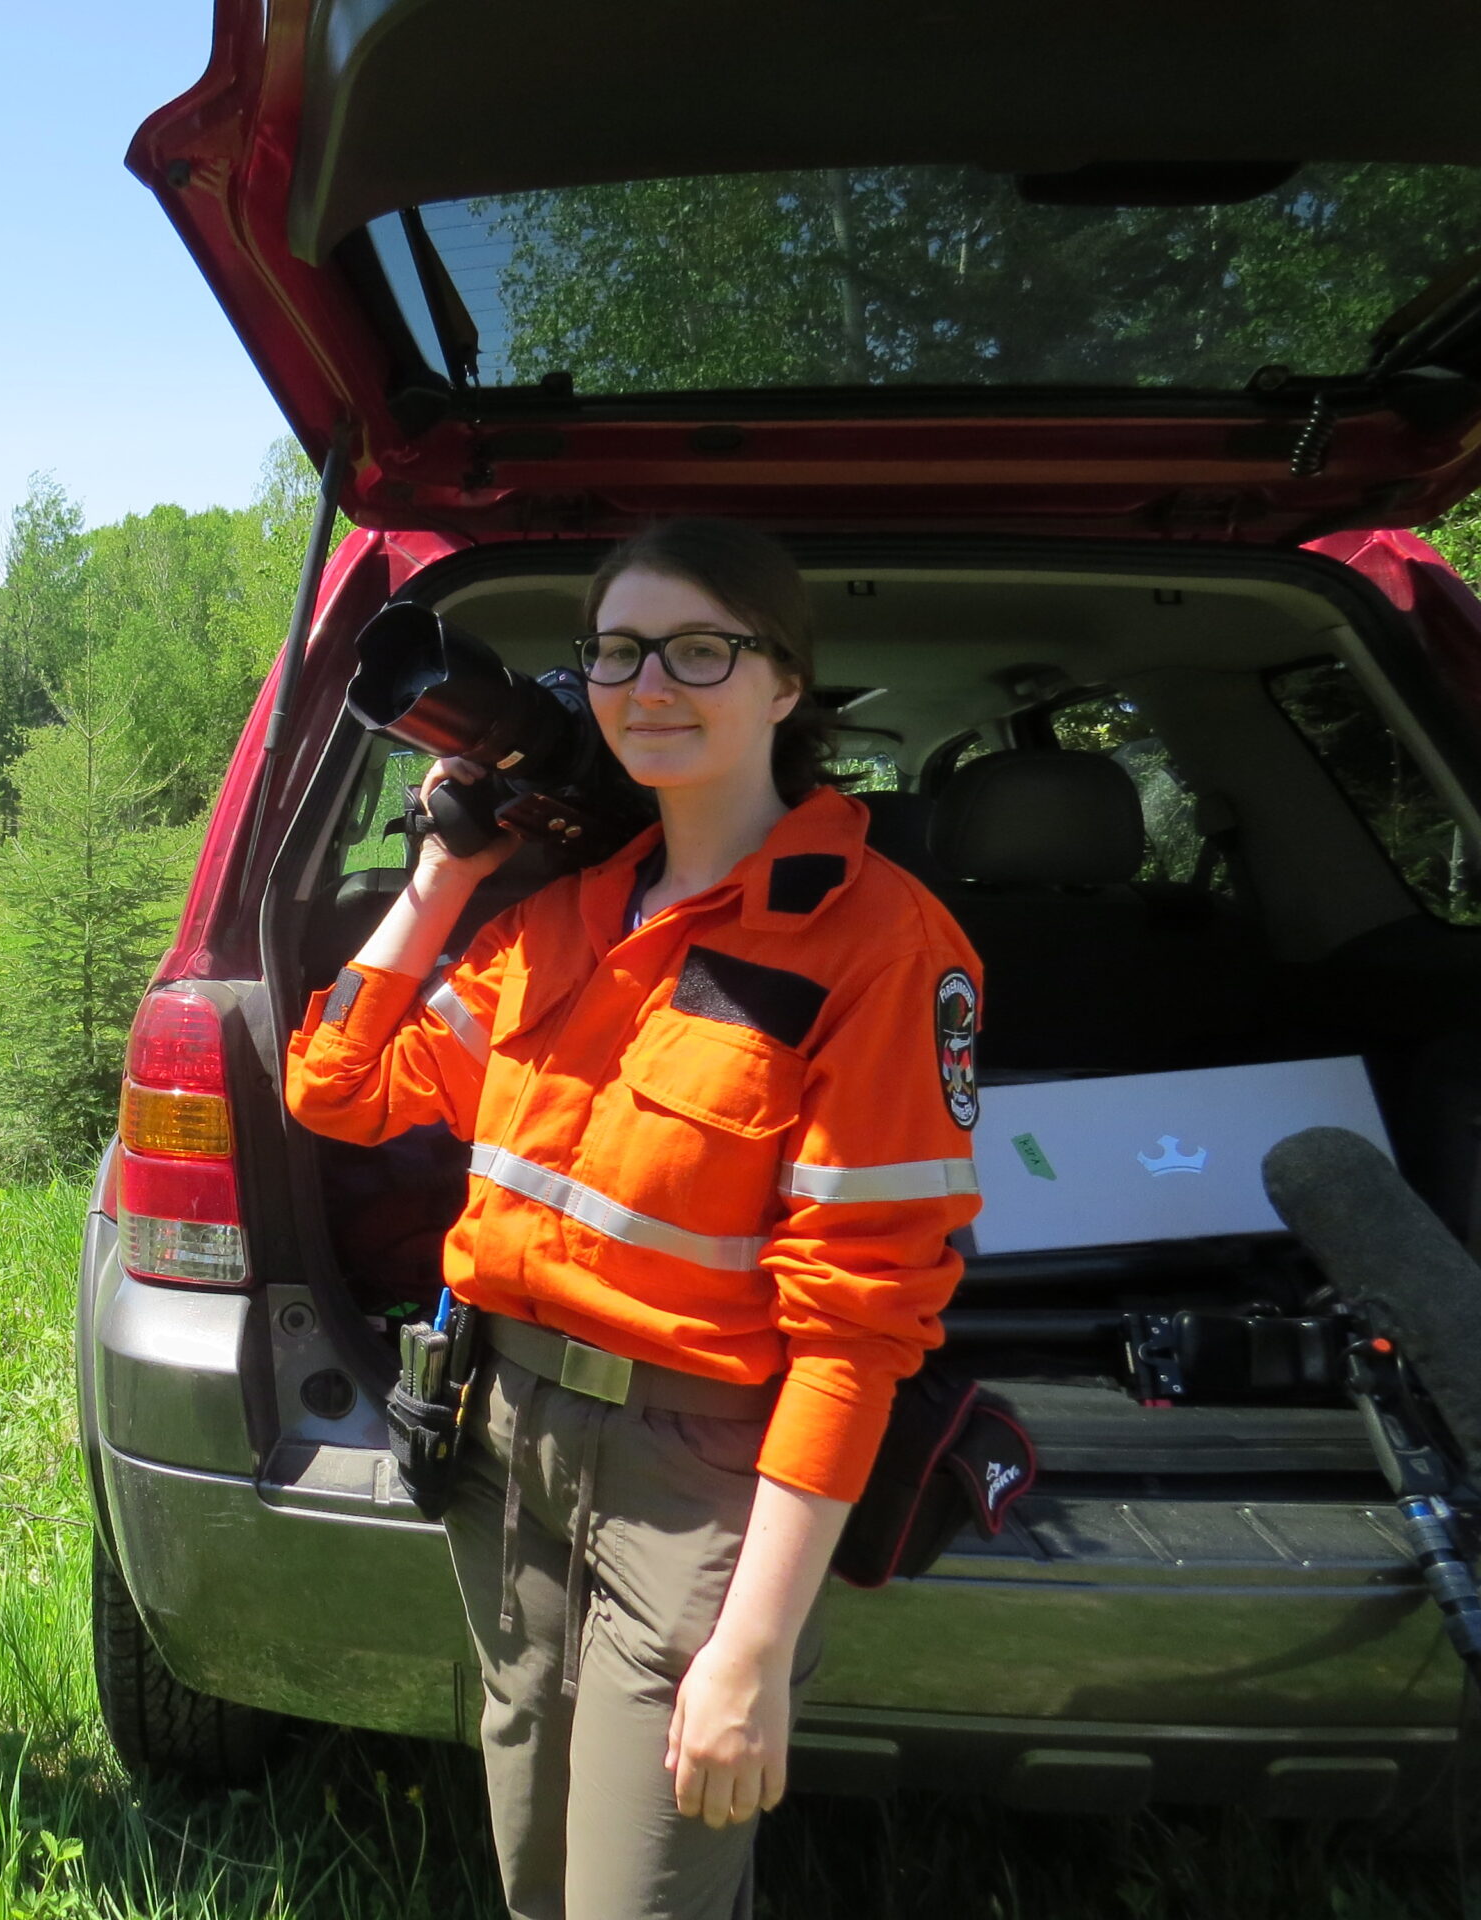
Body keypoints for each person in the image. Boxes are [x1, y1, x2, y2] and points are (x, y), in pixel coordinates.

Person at [286, 520, 984, 1920]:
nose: (649, 681)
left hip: (693, 1481)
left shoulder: (877, 945)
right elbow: (334, 1088)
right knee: (533, 1880)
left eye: (700, 649)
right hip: (508, 1450)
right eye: (616, 651)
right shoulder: (567, 918)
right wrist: (442, 876)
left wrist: (755, 1650)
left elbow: (858, 1329)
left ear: (785, 683)